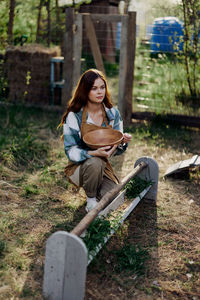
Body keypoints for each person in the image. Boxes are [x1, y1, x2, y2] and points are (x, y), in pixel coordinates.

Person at [59, 69, 132, 212]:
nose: (100, 92)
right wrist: (94, 153)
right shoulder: (74, 116)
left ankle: (98, 194)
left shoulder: (112, 113)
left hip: (103, 168)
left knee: (114, 199)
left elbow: (117, 146)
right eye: (94, 88)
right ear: (85, 91)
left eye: (102, 87)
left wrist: (121, 141)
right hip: (78, 168)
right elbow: (71, 151)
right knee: (95, 161)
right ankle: (91, 198)